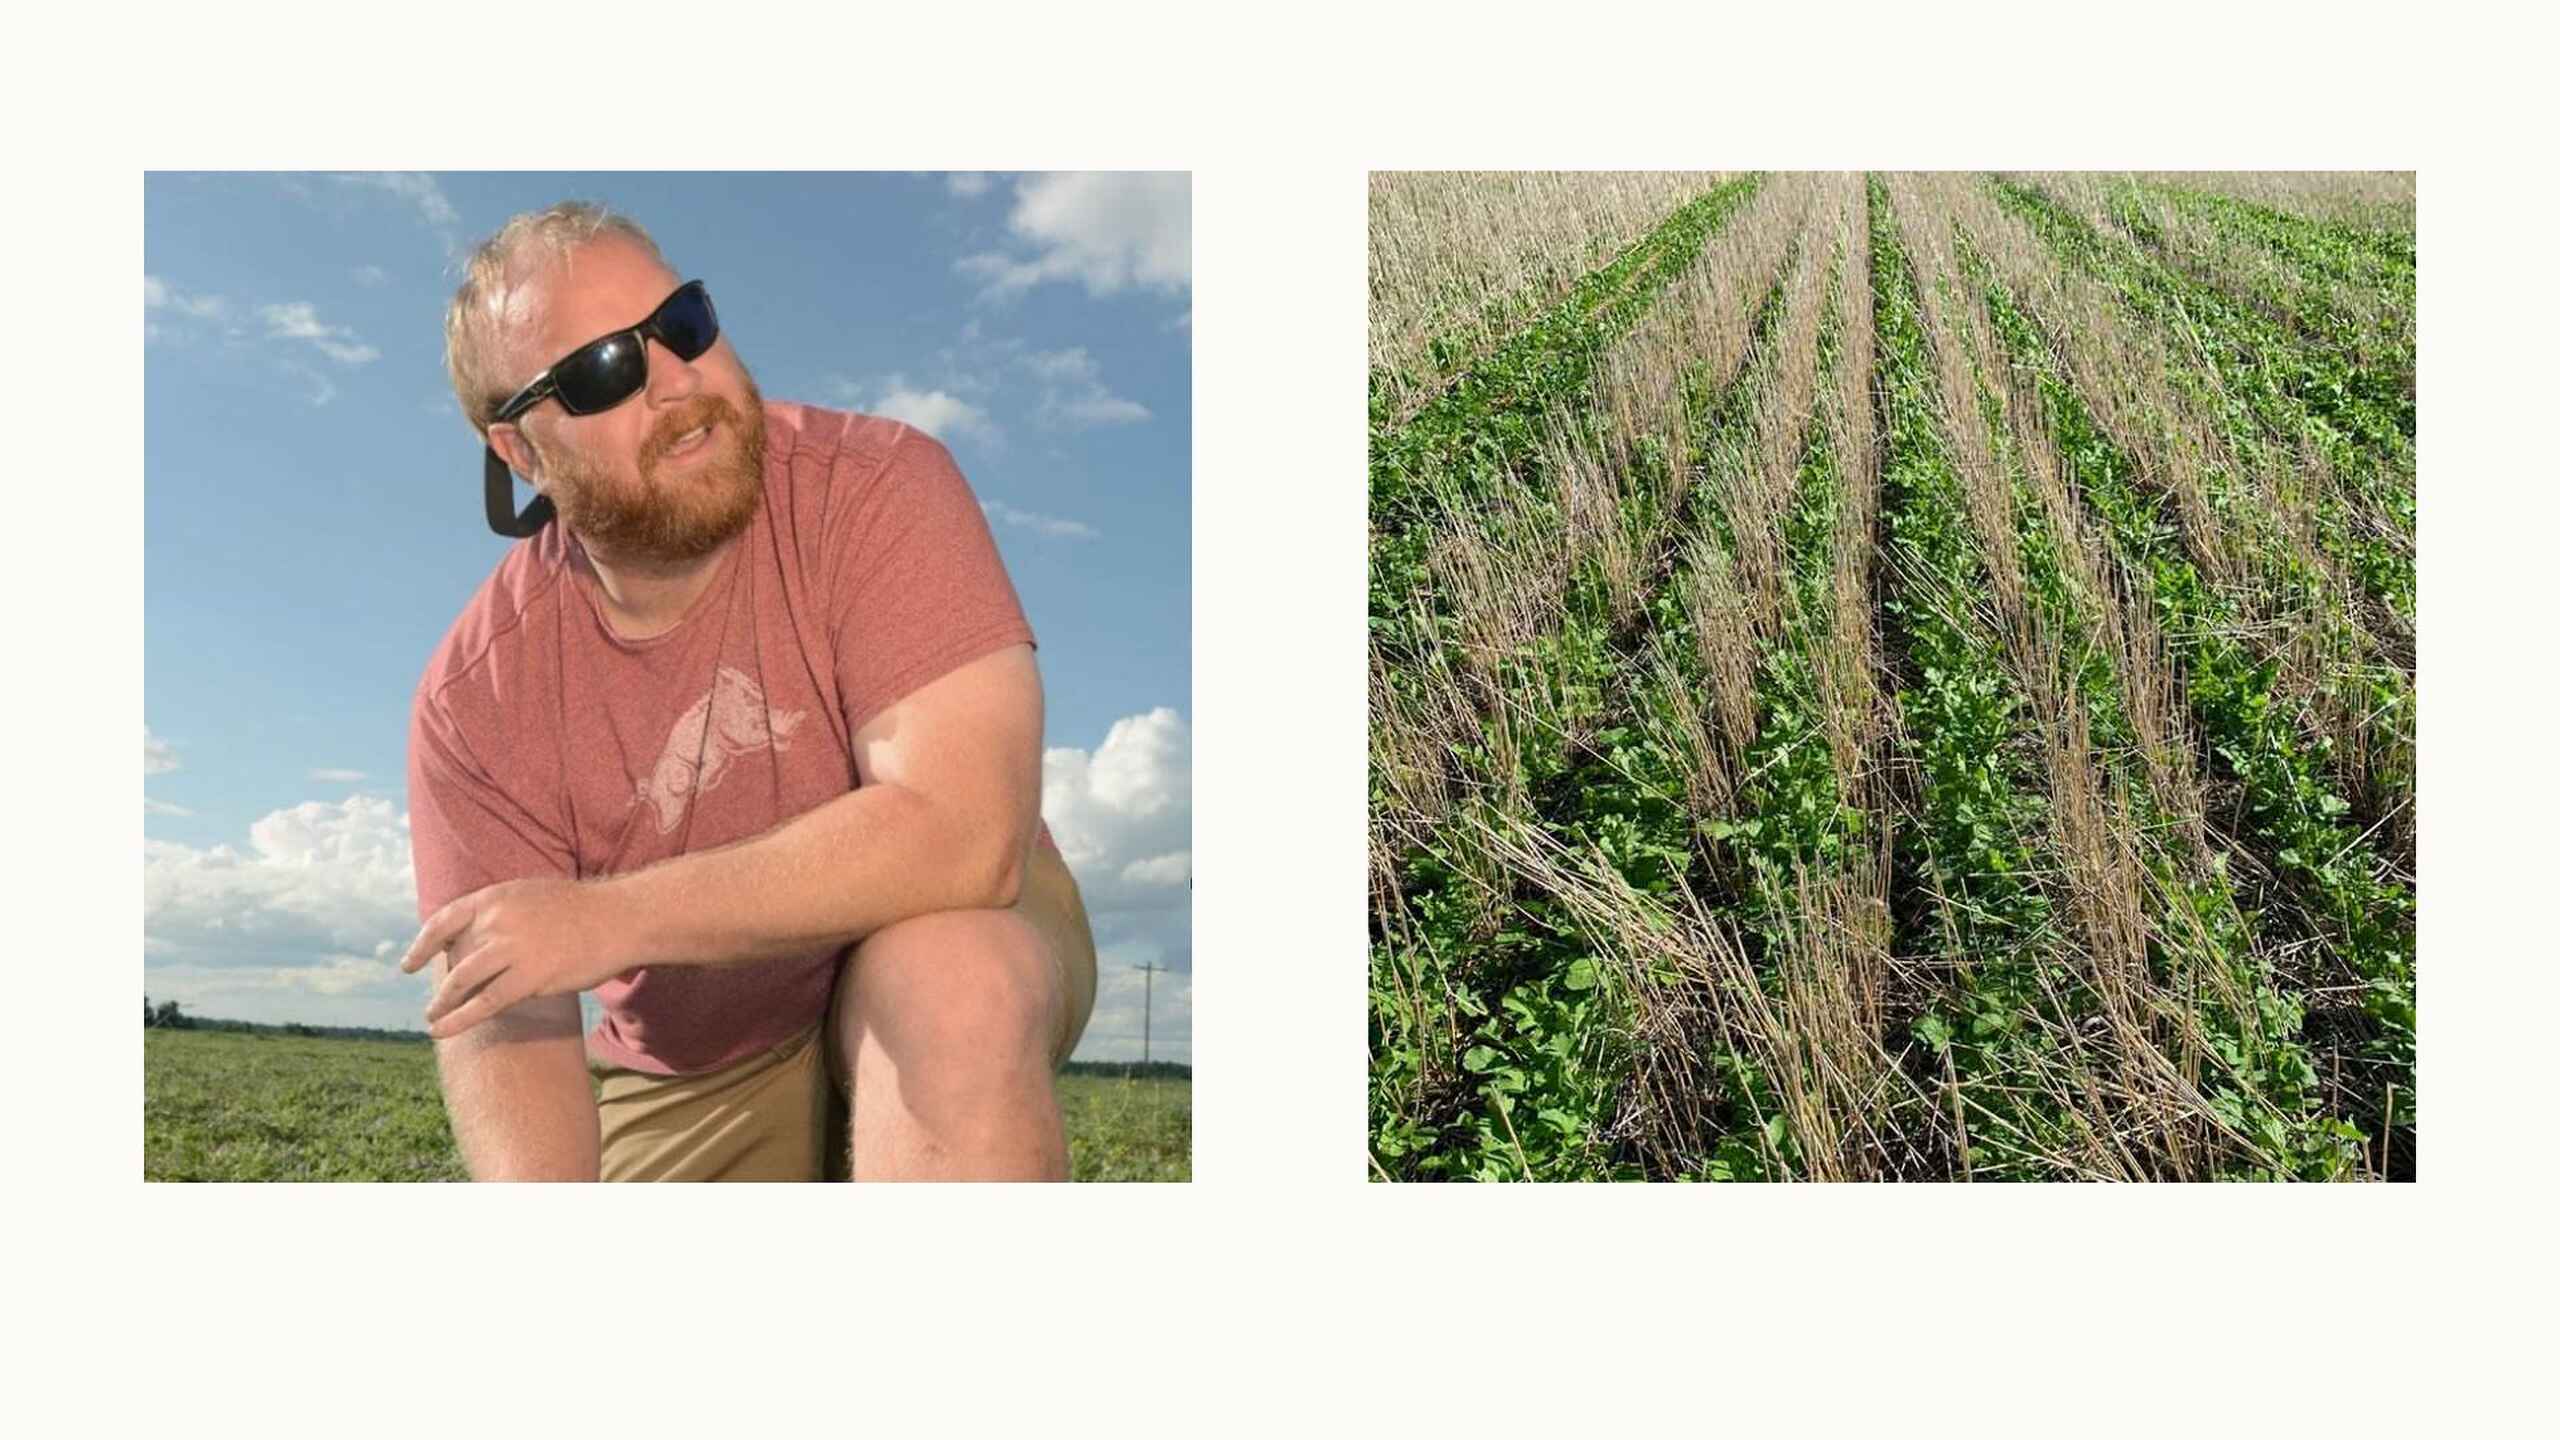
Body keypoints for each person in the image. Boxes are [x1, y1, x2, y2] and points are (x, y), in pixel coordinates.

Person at [400, 201, 1097, 1181]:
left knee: (946, 979)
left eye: (682, 324)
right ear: (519, 452)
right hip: (699, 1061)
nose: (678, 379)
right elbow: (504, 1015)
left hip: (963, 925)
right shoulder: (475, 702)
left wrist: (602, 919)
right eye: (604, 369)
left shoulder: (876, 483)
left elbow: (964, 837)